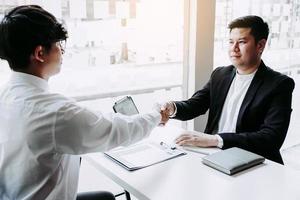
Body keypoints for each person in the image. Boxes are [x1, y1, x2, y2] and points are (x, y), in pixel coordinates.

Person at [0, 5, 167, 200]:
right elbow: (119, 130)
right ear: (40, 53)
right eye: (58, 44)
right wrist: (157, 115)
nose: (62, 51)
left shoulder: (6, 96)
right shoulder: (54, 113)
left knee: (105, 198)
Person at [161, 15, 295, 164]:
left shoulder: (279, 84)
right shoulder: (220, 74)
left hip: (251, 162)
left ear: (260, 45)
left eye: (242, 42)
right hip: (212, 155)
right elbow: (195, 105)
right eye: (231, 42)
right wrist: (172, 108)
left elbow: (271, 138)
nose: (234, 48)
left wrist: (215, 139)